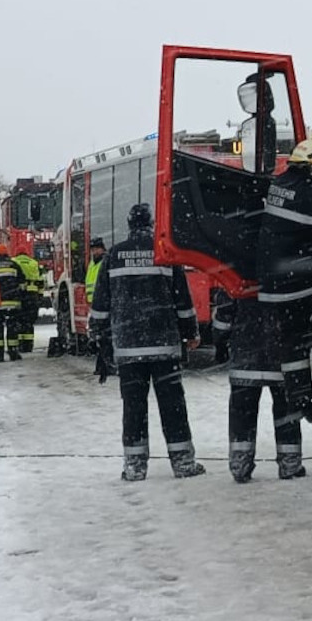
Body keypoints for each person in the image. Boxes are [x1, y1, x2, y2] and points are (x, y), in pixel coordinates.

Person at [227, 139, 312, 480]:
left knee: (290, 348)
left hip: (276, 286)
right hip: (294, 280)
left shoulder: (282, 184)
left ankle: (242, 464)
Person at [96, 204, 205, 481]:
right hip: (164, 347)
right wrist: (190, 333)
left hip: (128, 348)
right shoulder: (165, 253)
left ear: (130, 224)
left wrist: (100, 336)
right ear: (152, 223)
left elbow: (101, 305)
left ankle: (134, 466)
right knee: (173, 407)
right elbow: (183, 301)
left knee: (133, 408)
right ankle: (183, 463)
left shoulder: (113, 255)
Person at [0, 244, 27, 362]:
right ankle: (13, 352)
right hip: (12, 302)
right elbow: (22, 284)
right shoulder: (14, 265)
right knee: (12, 328)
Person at [11, 249, 45, 353]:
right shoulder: (34, 263)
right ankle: (28, 345)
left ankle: (20, 344)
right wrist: (40, 295)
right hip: (32, 295)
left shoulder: (14, 262)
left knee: (20, 319)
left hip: (20, 294)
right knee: (29, 321)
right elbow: (40, 280)